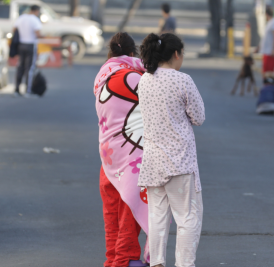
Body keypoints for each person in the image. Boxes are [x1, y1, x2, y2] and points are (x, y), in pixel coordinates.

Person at [138, 33, 205, 267]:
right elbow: (199, 117)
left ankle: (156, 262)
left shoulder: (144, 80)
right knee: (187, 218)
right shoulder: (182, 80)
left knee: (157, 216)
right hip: (179, 161)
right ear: (176, 54)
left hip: (153, 160)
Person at [93, 32, 150, 267]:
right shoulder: (139, 77)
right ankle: (123, 262)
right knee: (128, 220)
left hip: (107, 161)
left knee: (111, 219)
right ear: (133, 52)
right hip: (132, 162)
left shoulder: (102, 75)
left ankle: (111, 262)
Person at [14, 5, 42, 97]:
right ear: (36, 11)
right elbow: (37, 34)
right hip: (31, 45)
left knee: (20, 67)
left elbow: (14, 29)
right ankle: (28, 90)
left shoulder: (21, 18)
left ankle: (17, 90)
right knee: (29, 68)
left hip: (21, 45)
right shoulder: (35, 20)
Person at [259, 6, 274, 75]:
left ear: (266, 14)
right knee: (266, 71)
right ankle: (267, 85)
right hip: (267, 51)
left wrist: (273, 49)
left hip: (270, 52)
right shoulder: (270, 22)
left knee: (269, 72)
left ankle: (269, 85)